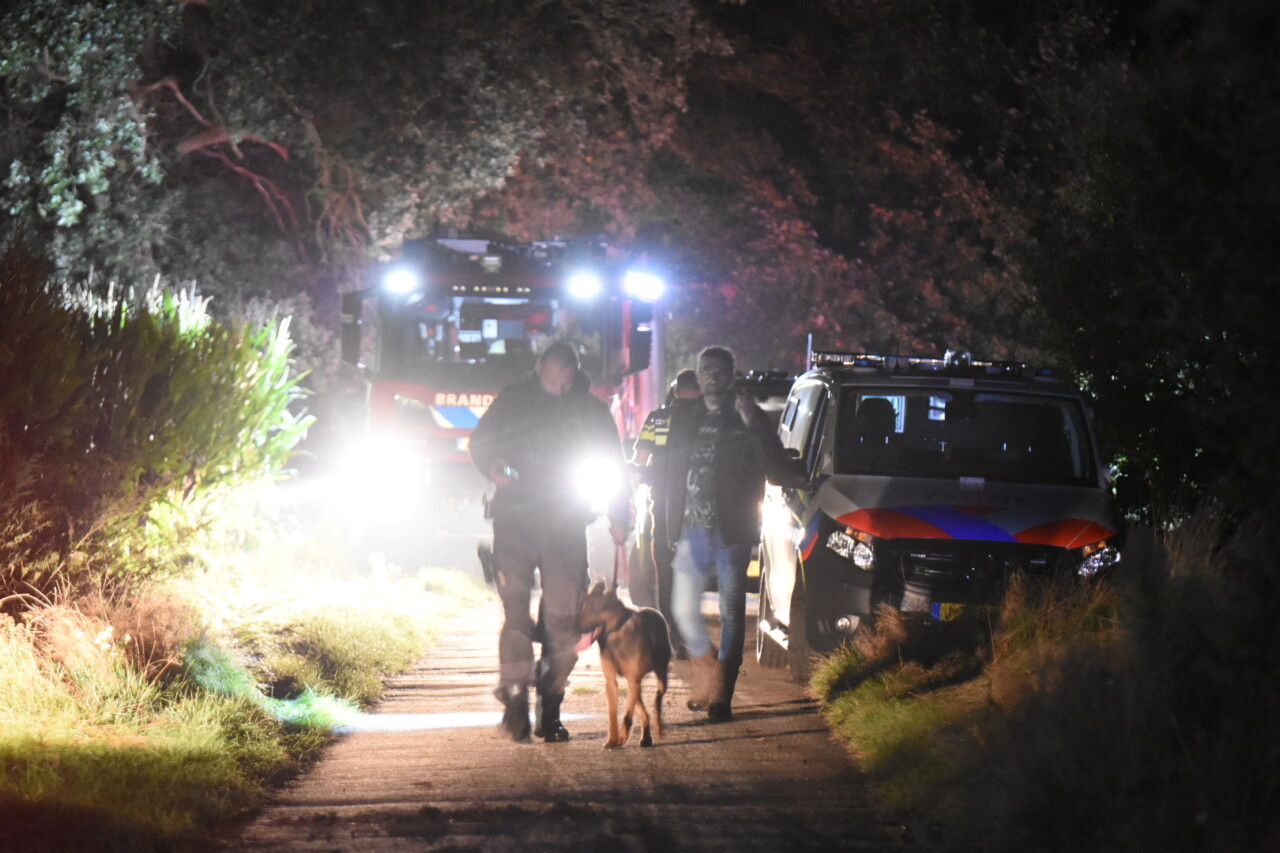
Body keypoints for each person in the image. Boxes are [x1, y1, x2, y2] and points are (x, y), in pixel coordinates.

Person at [470, 340, 629, 742]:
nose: (558, 388)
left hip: (565, 526)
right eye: (553, 380)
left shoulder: (591, 410)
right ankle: (517, 698)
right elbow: (482, 439)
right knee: (517, 616)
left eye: (565, 381)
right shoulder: (514, 399)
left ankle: (551, 706)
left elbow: (614, 464)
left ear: (574, 374)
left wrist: (619, 517)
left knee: (564, 621)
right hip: (515, 522)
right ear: (539, 368)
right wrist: (492, 467)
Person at [661, 346, 788, 722]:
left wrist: (756, 426)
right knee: (682, 609)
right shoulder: (687, 417)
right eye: (705, 369)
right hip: (691, 531)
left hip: (732, 532)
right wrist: (669, 528)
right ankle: (708, 667)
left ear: (731, 374)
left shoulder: (746, 417)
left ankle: (722, 697)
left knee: (732, 615)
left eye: (719, 369)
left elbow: (777, 469)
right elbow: (670, 474)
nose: (712, 375)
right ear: (698, 375)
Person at [629, 368, 702, 656]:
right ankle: (689, 633)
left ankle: (672, 633)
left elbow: (639, 460)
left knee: (665, 567)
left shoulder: (657, 418)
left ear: (674, 390)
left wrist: (639, 487)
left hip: (663, 506)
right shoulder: (709, 419)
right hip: (700, 507)